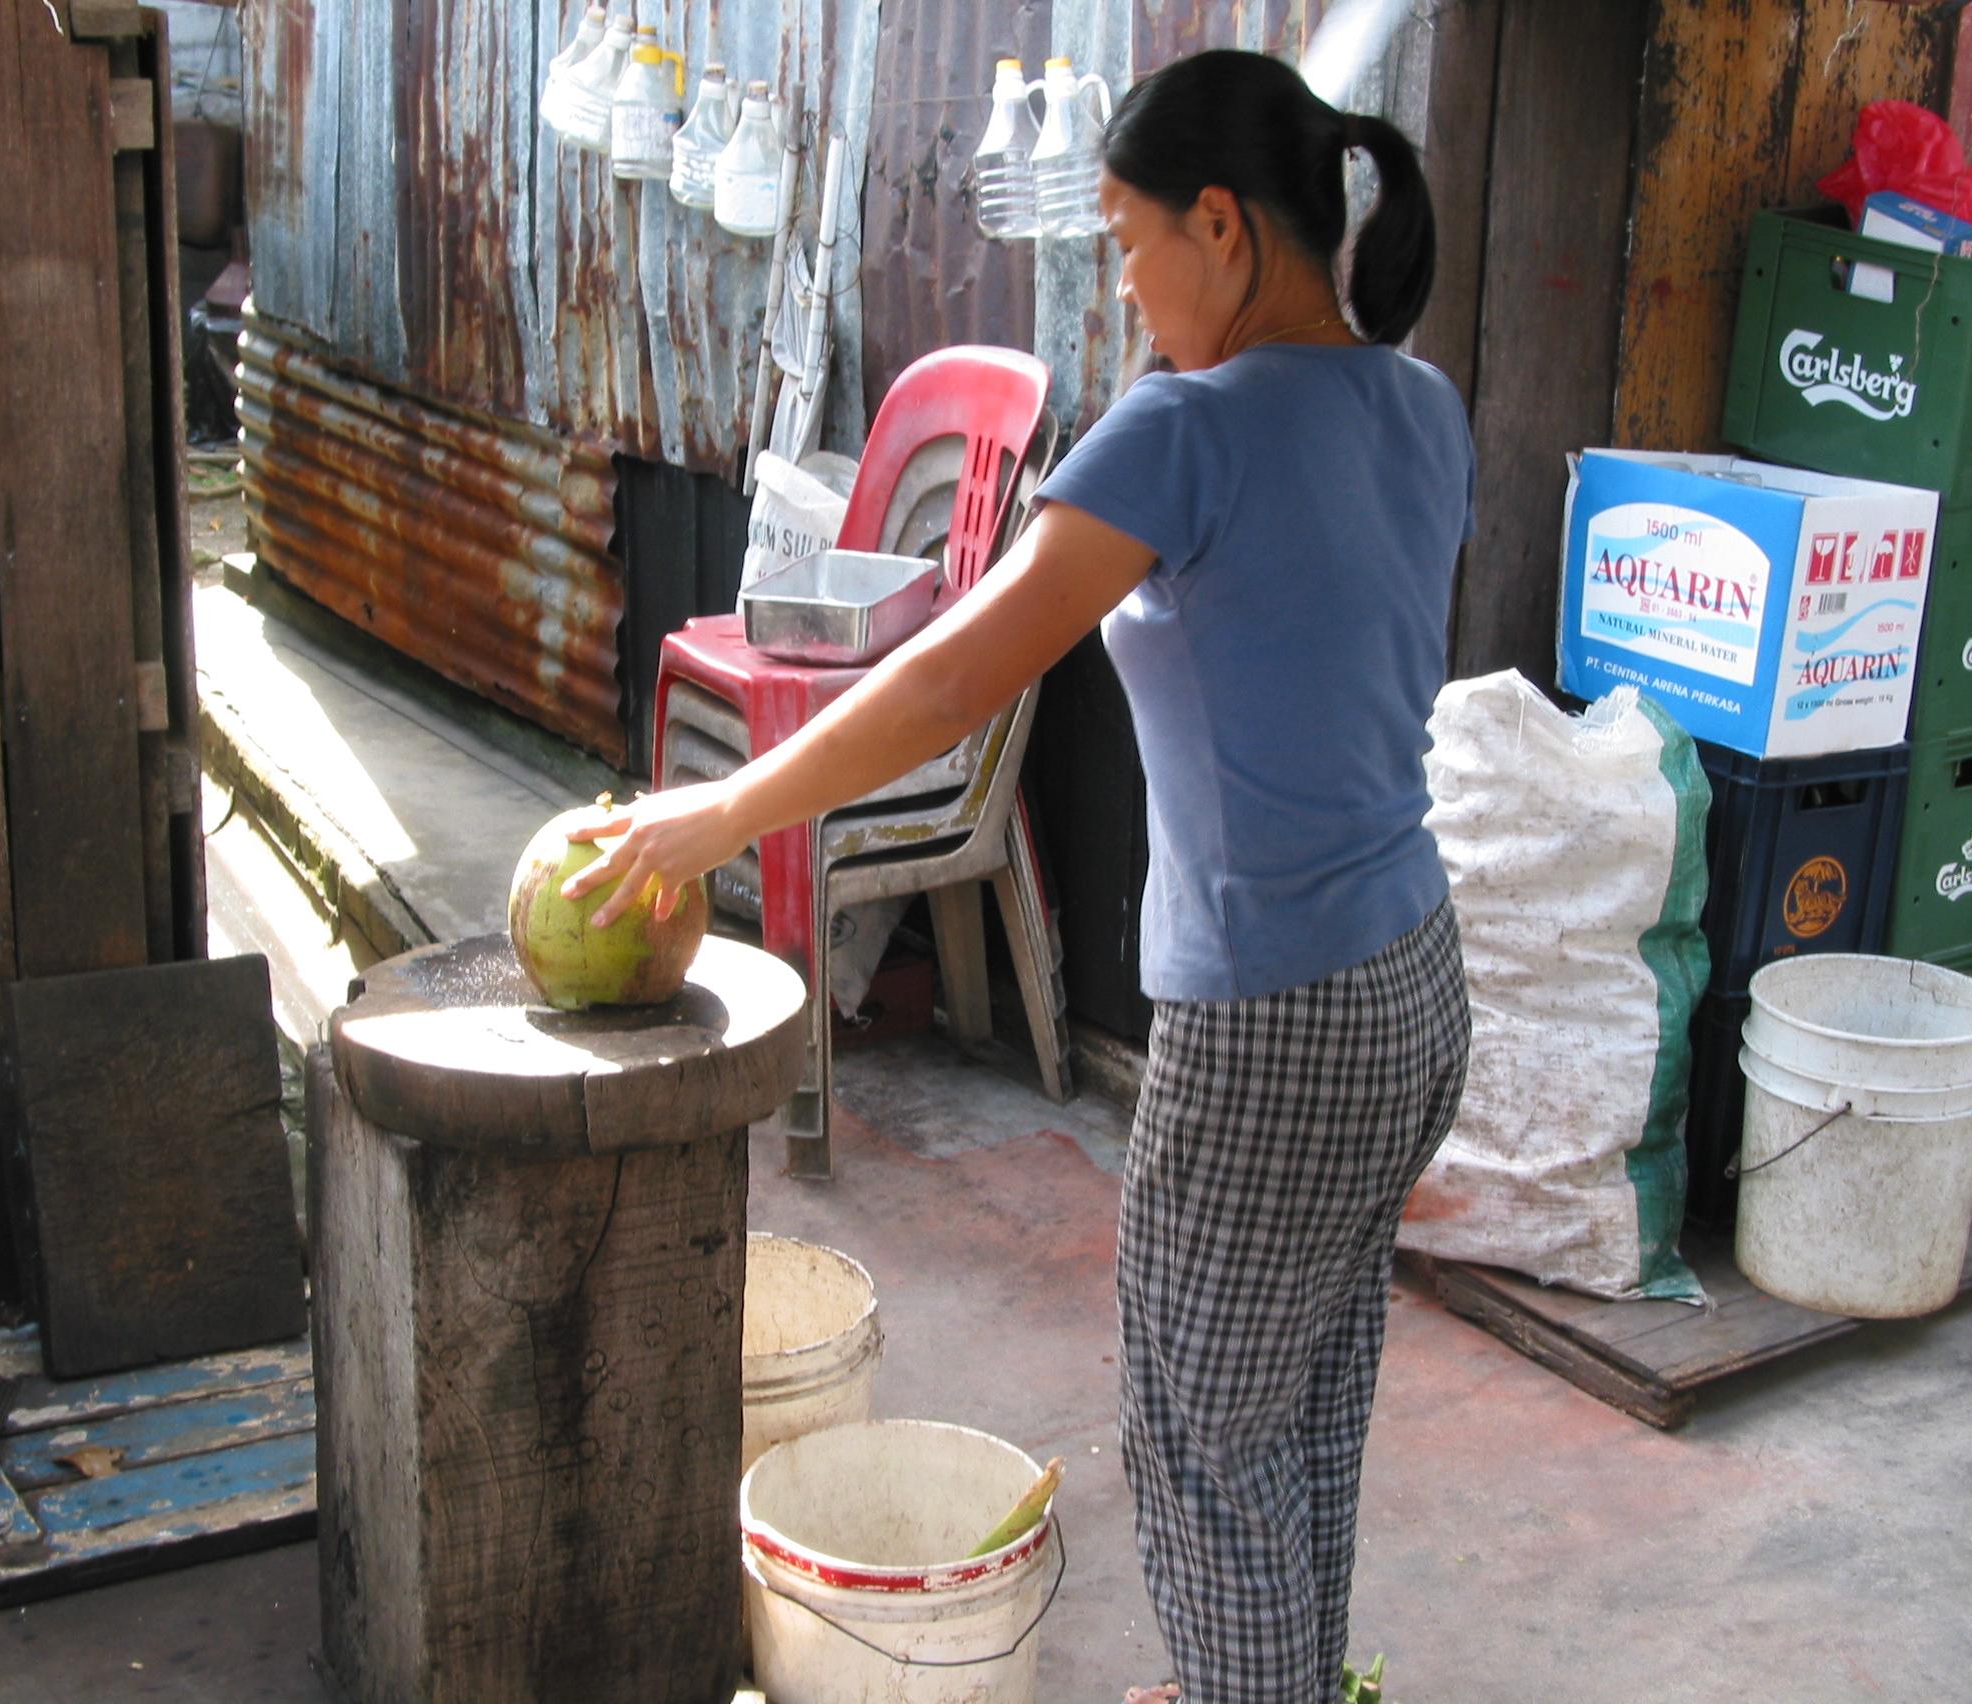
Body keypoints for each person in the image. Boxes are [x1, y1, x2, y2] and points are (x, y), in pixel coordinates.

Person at [565, 48, 1474, 1704]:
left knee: (1199, 1431)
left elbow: (937, 682)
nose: (1122, 291)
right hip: (1414, 978)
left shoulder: (1184, 432)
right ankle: (1253, 1680)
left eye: (1130, 244)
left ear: (1222, 222)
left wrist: (709, 820)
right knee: (1304, 1396)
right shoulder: (1419, 404)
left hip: (1272, 1014)